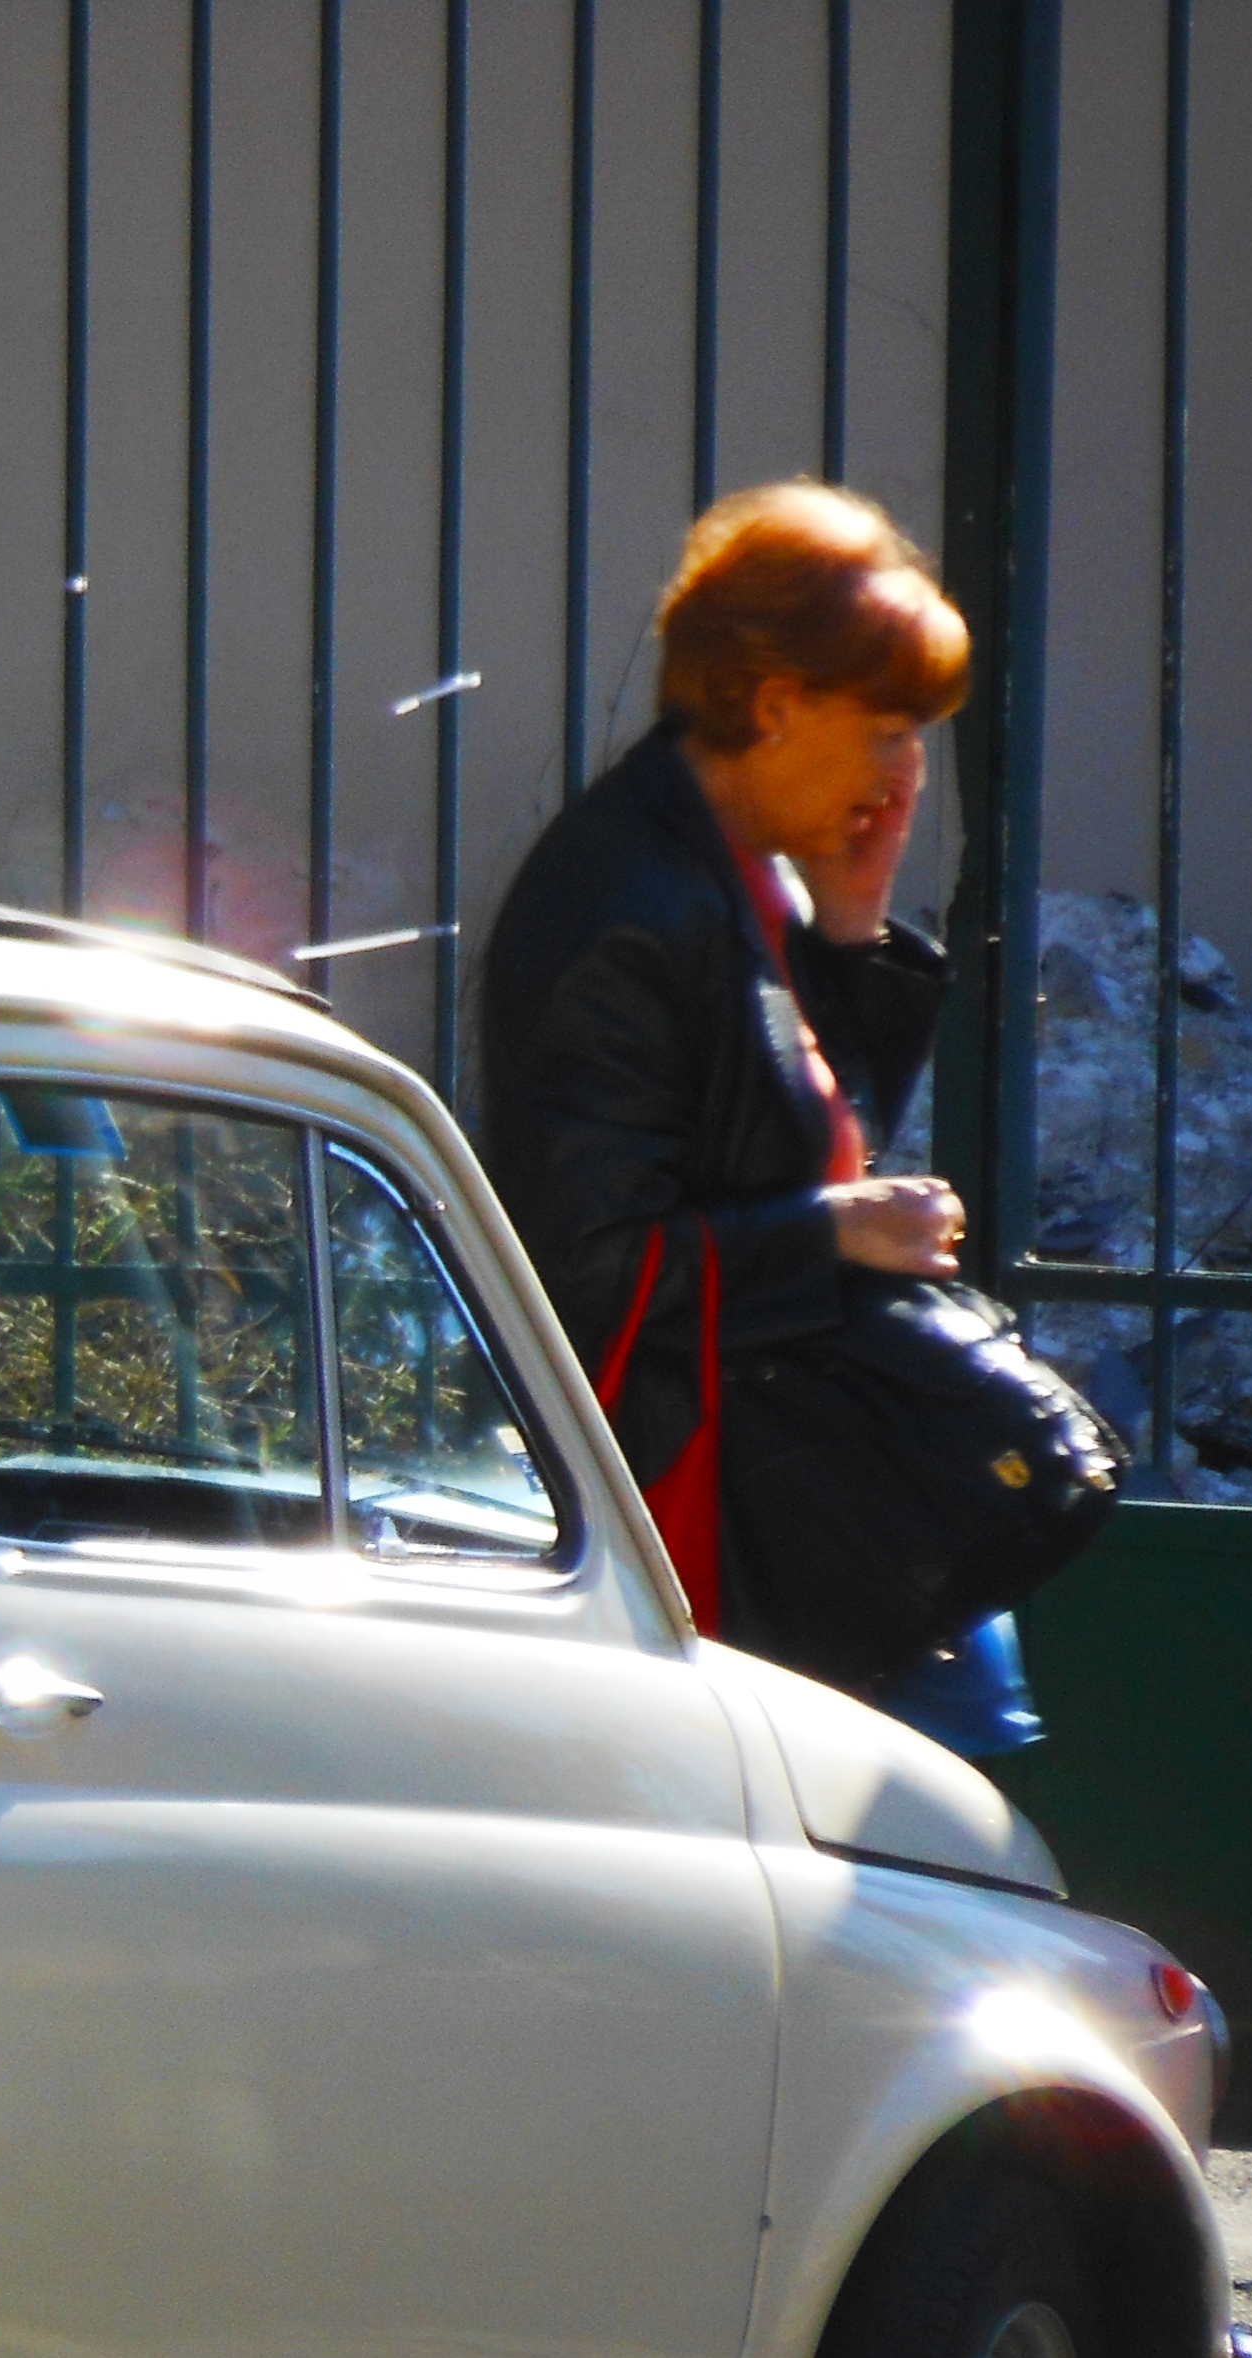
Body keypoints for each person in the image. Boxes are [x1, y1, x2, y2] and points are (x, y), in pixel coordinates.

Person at [477, 480, 1034, 1751]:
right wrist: (830, 1232)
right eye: (889, 729)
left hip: (783, 1501)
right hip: (708, 1541)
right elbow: (590, 1268)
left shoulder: (740, 870)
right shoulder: (628, 906)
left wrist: (853, 926)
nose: (906, 774)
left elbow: (808, 1139)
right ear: (777, 707)